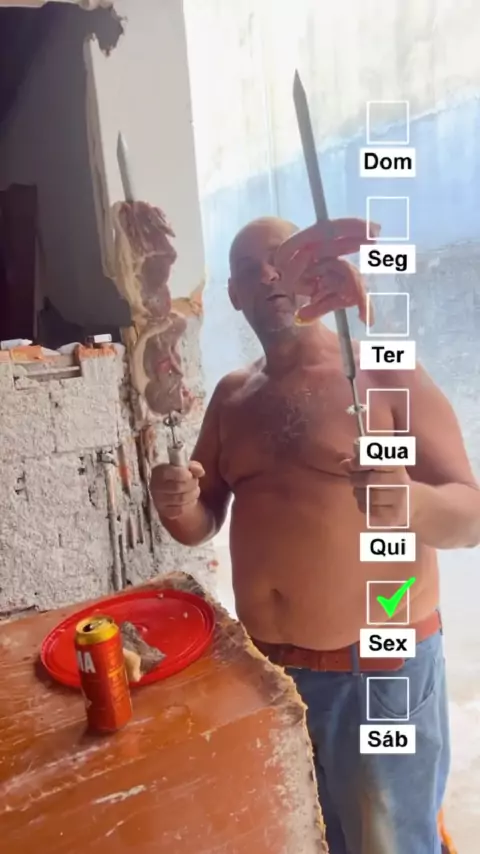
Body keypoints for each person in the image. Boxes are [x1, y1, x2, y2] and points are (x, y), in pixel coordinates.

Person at [150, 216, 478, 854]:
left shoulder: (383, 373)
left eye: (282, 257)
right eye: (248, 269)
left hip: (380, 672)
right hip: (274, 673)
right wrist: (177, 504)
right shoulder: (233, 396)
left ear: (314, 268)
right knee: (312, 836)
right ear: (234, 295)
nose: (268, 274)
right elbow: (203, 519)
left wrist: (410, 503)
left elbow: (470, 515)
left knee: (391, 842)